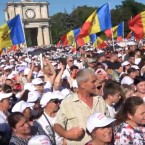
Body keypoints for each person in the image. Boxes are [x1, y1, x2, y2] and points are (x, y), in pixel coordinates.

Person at [54, 69, 109, 145]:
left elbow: (108, 123)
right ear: (82, 84)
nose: (96, 84)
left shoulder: (100, 100)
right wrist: (66, 134)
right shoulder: (67, 103)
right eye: (93, 82)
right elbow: (57, 125)